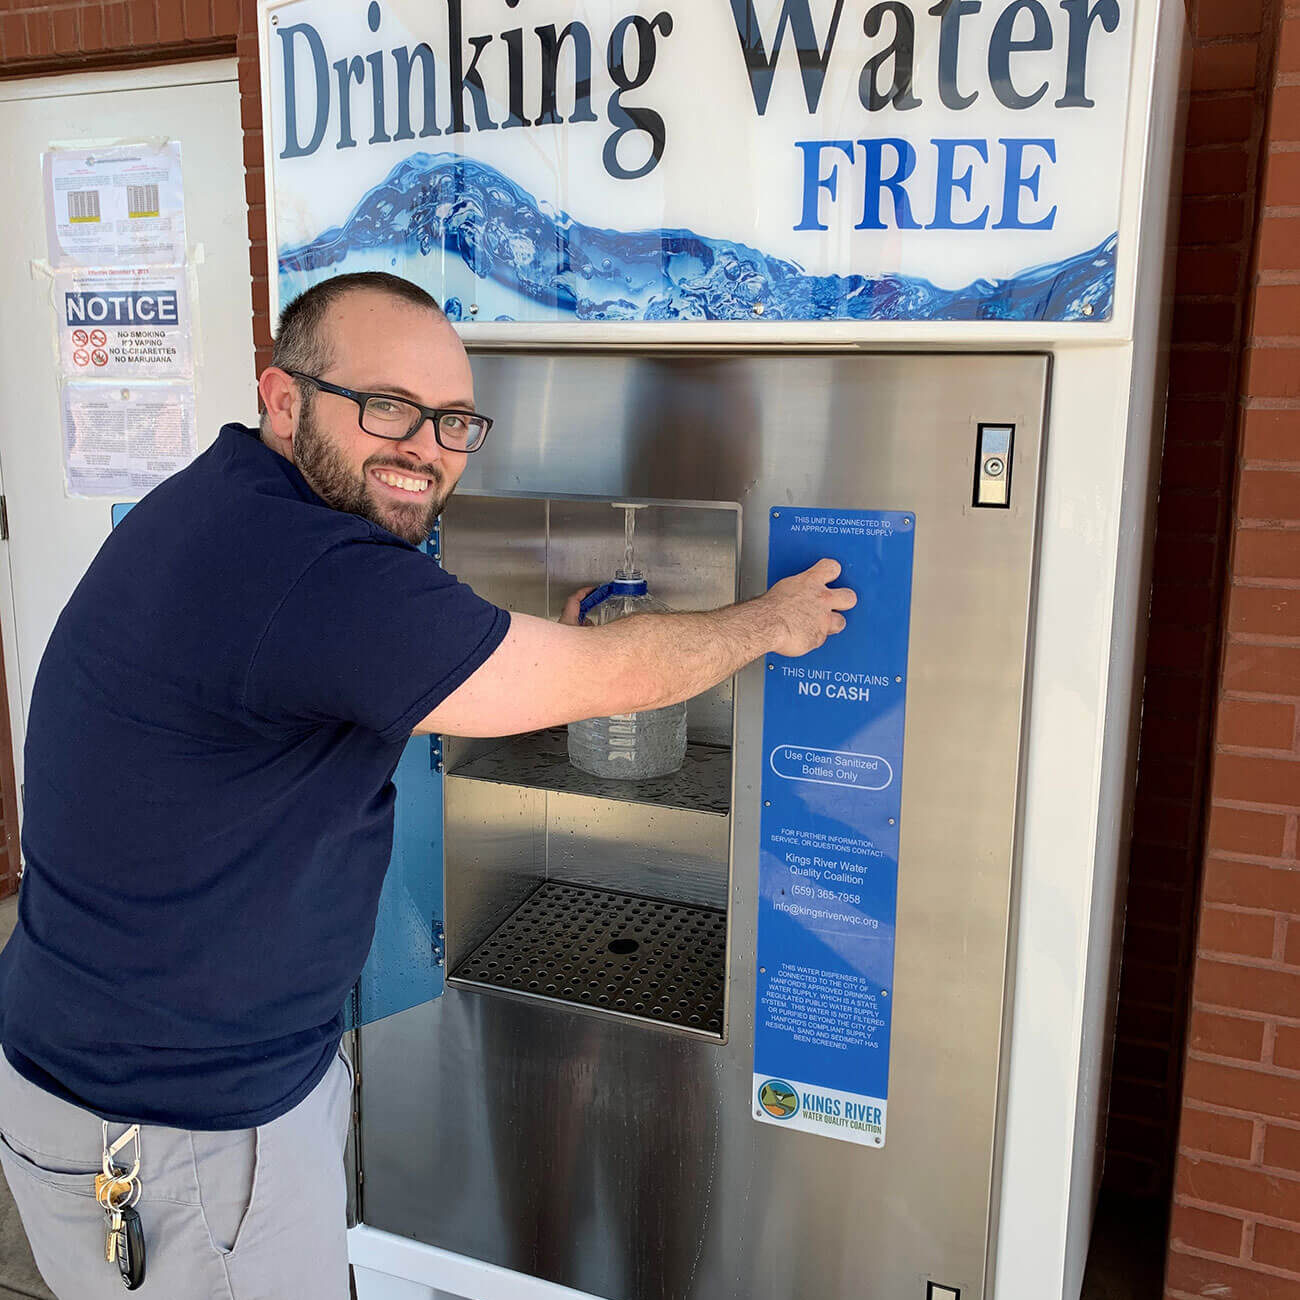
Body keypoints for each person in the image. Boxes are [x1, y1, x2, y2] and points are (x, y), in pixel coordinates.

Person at [0, 272, 855, 1298]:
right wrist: (773, 622)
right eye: (386, 408)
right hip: (182, 1132)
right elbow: (606, 680)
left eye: (452, 420)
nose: (424, 447)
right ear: (283, 399)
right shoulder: (306, 568)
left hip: (142, 1087)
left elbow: (410, 641)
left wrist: (547, 641)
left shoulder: (235, 512)